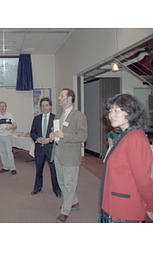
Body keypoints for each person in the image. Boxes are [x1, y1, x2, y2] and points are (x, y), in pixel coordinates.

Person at [99, 93, 153, 223]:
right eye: (110, 110)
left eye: (116, 110)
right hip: (114, 203)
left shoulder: (136, 138)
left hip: (124, 210)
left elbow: (143, 180)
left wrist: (152, 205)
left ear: (131, 112)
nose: (111, 115)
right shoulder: (125, 134)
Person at [49, 88, 87, 223]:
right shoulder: (58, 115)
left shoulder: (79, 116)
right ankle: (74, 202)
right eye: (59, 95)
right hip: (58, 152)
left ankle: (65, 211)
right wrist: (52, 135)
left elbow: (83, 136)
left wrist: (64, 135)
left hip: (71, 155)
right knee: (62, 182)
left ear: (70, 98)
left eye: (61, 95)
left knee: (70, 185)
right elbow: (56, 132)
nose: (59, 98)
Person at [30, 97, 61, 198]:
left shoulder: (55, 118)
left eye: (46, 105)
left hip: (51, 148)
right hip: (39, 148)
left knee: (53, 170)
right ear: (40, 107)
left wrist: (49, 139)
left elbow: (58, 133)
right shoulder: (36, 118)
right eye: (42, 105)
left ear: (50, 106)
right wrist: (37, 138)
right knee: (38, 169)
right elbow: (32, 132)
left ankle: (56, 189)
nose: (44, 107)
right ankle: (37, 187)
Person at [0, 101, 17, 175]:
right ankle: (6, 167)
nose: (2, 108)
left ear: (6, 107)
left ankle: (12, 167)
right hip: (0, 136)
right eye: (1, 106)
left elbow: (15, 125)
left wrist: (10, 127)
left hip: (7, 136)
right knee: (2, 152)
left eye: (3, 106)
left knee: (9, 151)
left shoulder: (10, 115)